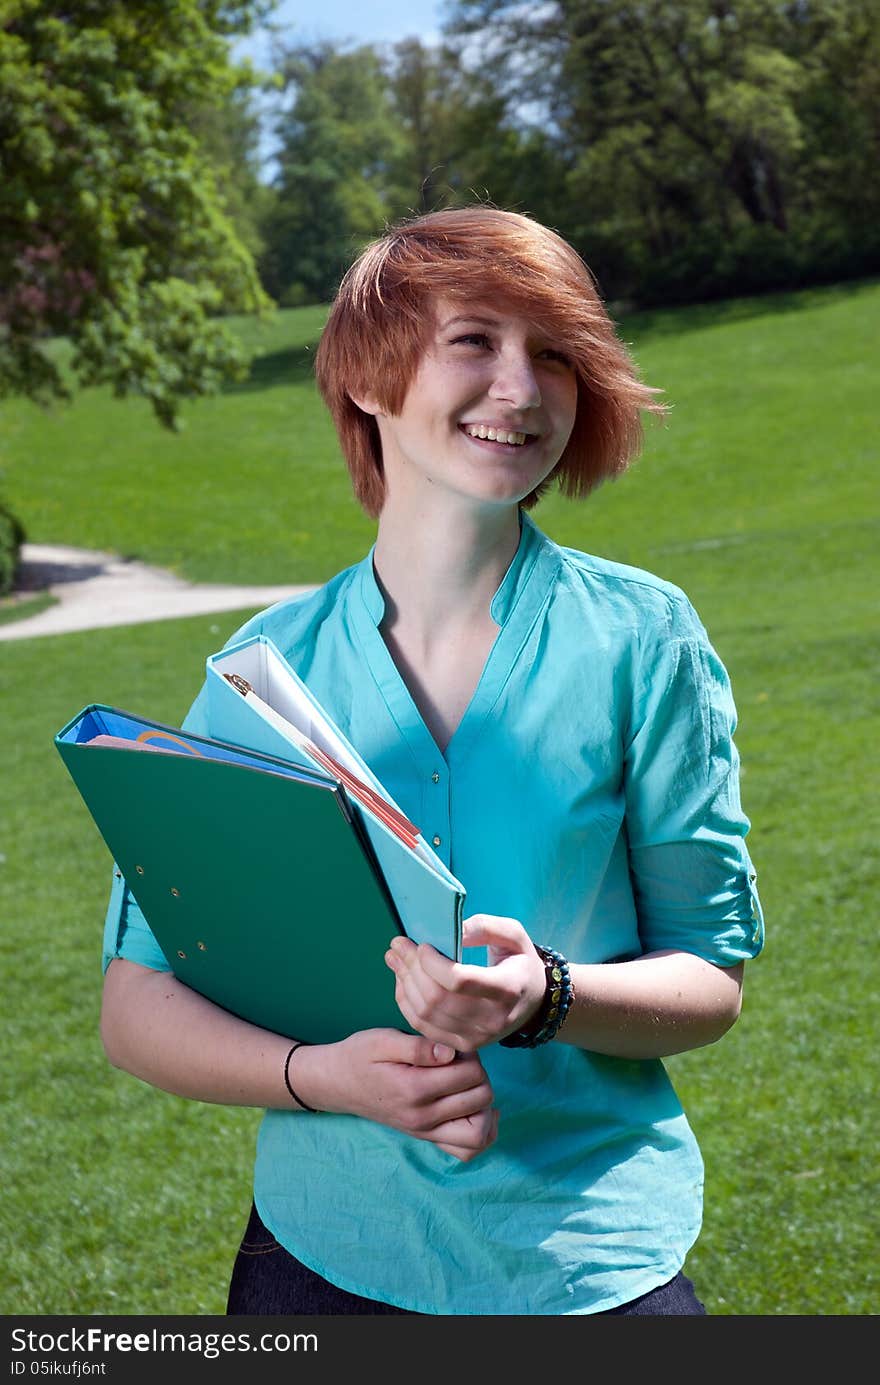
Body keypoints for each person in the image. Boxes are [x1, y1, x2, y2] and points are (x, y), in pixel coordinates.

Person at [100, 205, 765, 1316]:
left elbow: (708, 976)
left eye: (554, 352)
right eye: (475, 340)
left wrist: (544, 994)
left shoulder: (645, 639)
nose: (521, 386)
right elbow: (137, 1003)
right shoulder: (261, 675)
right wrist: (323, 1076)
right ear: (368, 377)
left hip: (591, 1255)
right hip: (322, 1254)